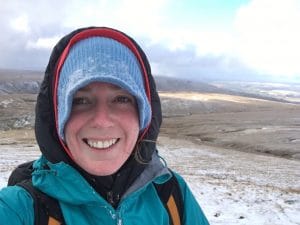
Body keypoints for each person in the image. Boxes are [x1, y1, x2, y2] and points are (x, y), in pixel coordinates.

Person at [0, 26, 209, 224]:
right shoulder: (19, 209)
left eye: (121, 99)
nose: (101, 120)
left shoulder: (172, 195)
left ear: (144, 115)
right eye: (79, 100)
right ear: (57, 116)